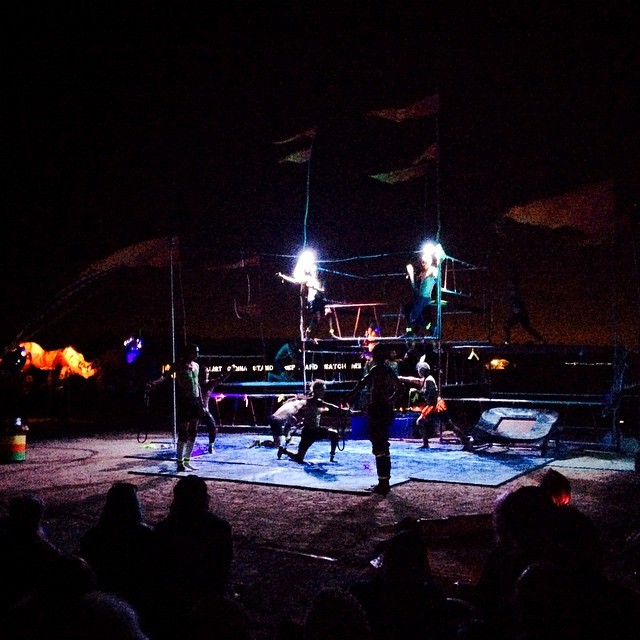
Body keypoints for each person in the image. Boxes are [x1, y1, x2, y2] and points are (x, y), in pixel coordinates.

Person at [147, 475, 233, 640]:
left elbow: (157, 569)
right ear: (204, 499)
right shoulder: (219, 528)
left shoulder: (164, 528)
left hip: (172, 602)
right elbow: (222, 567)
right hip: (206, 599)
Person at [76, 481, 154, 611]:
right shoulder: (146, 535)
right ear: (135, 505)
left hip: (103, 599)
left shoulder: (93, 536)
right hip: (138, 597)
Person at [345, 343, 405, 496]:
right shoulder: (388, 370)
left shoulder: (377, 370)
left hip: (378, 410)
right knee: (383, 445)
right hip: (385, 410)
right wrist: (390, 401)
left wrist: (349, 396)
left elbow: (361, 383)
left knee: (379, 445)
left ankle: (383, 483)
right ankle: (384, 481)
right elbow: (401, 389)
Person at [147, 343, 205, 472]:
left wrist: (202, 403)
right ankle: (180, 463)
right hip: (185, 401)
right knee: (183, 432)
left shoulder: (196, 366)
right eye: (194, 352)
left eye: (197, 352)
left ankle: (187, 460)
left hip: (195, 401)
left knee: (194, 431)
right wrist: (154, 383)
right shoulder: (178, 365)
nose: (196, 354)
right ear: (188, 352)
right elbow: (165, 376)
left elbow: (198, 385)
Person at [399, 355, 473, 450]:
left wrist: (420, 393)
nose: (418, 372)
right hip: (432, 405)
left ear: (422, 371)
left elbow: (432, 395)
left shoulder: (429, 380)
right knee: (423, 422)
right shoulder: (425, 379)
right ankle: (426, 443)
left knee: (447, 425)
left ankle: (465, 439)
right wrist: (400, 378)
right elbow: (412, 379)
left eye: (419, 370)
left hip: (436, 405)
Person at [278, 379, 341, 463]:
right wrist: (343, 410)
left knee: (334, 434)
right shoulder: (314, 401)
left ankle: (332, 457)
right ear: (316, 390)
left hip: (316, 430)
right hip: (308, 433)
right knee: (299, 458)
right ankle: (284, 451)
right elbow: (330, 406)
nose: (324, 392)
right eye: (322, 390)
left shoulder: (316, 401)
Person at [403, 242, 444, 338]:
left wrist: (439, 252)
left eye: (424, 261)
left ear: (429, 261)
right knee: (409, 311)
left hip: (425, 298)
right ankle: (422, 330)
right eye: (422, 262)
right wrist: (411, 275)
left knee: (413, 317)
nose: (423, 263)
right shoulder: (421, 273)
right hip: (419, 297)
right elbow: (414, 287)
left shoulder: (433, 270)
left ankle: (430, 329)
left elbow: (439, 264)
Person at [503, 272, 545, 344]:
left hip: (519, 313)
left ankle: (507, 341)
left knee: (508, 325)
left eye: (510, 283)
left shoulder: (516, 292)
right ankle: (540, 339)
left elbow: (517, 302)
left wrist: (518, 310)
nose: (508, 284)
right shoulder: (514, 292)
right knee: (526, 327)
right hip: (520, 313)